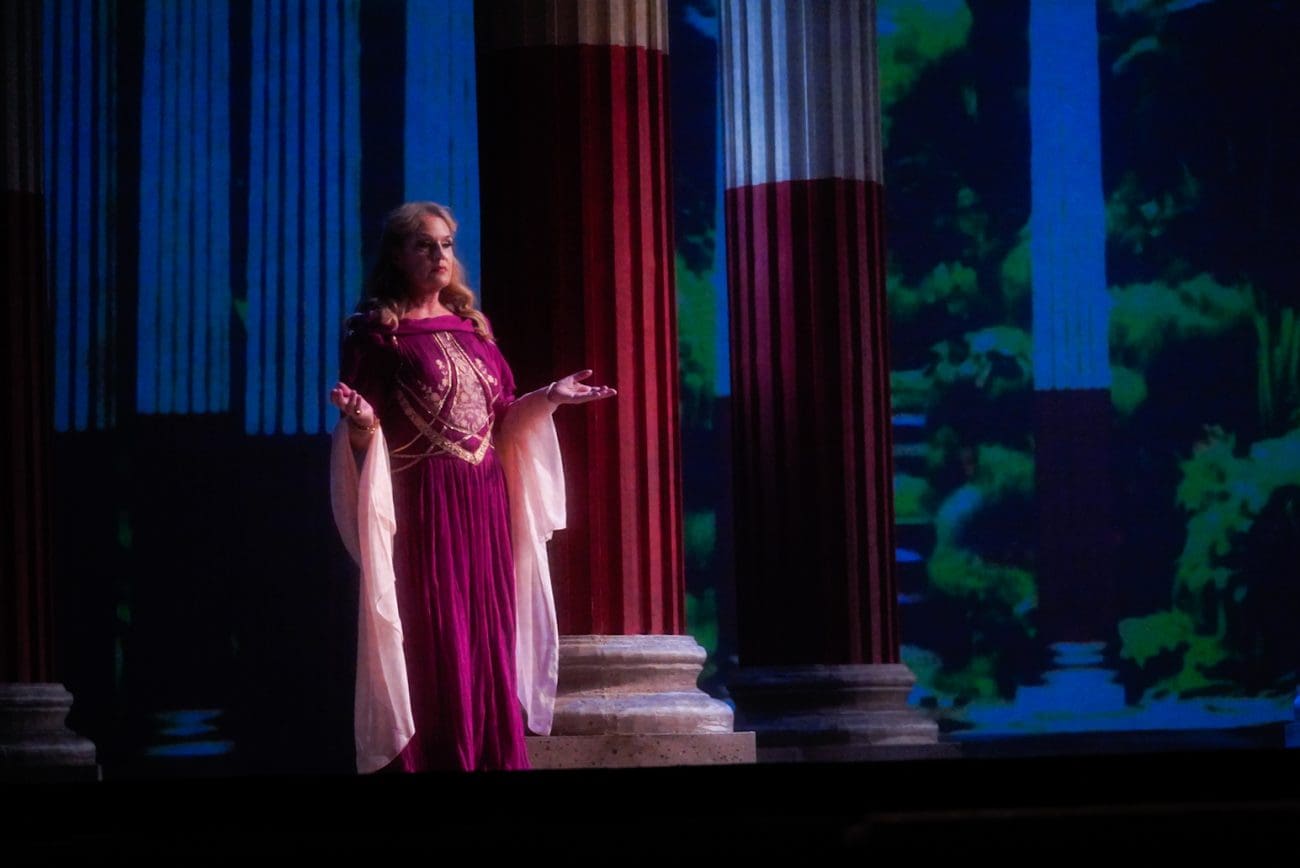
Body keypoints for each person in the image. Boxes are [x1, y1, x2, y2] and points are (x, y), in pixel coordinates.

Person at [327, 201, 614, 772]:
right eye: (425, 245)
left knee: (488, 630)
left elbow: (503, 416)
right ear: (398, 256)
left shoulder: (473, 330)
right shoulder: (377, 335)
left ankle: (490, 756)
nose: (439, 255)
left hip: (484, 500)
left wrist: (550, 397)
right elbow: (365, 431)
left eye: (447, 245)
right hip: (426, 502)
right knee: (438, 629)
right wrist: (359, 421)